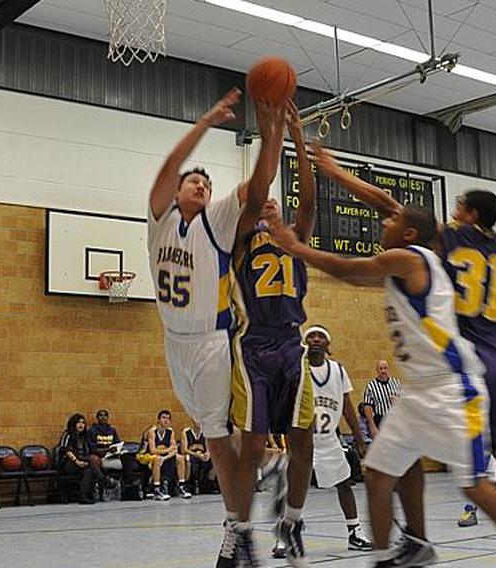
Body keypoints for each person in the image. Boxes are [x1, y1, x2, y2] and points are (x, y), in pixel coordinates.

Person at [264, 180, 496, 568]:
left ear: (411, 233)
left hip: (453, 386)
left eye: (393, 221)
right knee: (379, 473)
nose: (384, 223)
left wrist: (293, 245)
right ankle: (393, 555)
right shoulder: (471, 252)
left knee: (476, 485)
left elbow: (347, 268)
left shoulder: (413, 258)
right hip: (422, 389)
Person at [146, 83, 284, 568]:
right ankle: (263, 464)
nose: (201, 187)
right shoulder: (160, 219)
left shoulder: (219, 221)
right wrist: (205, 121)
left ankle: (237, 531)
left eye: (206, 184)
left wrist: (272, 135)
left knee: (213, 437)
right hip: (172, 341)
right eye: (194, 183)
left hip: (210, 341)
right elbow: (168, 167)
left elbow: (259, 185)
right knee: (210, 433)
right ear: (178, 191)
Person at [228, 101, 315, 568]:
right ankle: (242, 530)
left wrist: (297, 140)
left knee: (305, 445)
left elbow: (308, 201)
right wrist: (271, 132)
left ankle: (293, 522)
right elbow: (257, 195)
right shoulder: (242, 236)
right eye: (264, 199)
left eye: (274, 199)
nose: (270, 201)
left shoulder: (296, 236)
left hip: (290, 343)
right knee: (256, 445)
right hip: (254, 345)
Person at [274, 325, 372, 555]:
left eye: (321, 337)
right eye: (311, 336)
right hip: (301, 442)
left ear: (328, 344)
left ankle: (355, 532)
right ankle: (285, 532)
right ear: (304, 343)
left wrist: (359, 439)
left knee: (344, 484)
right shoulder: (296, 369)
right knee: (292, 488)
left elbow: (348, 407)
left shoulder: (337, 370)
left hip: (329, 440)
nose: (316, 339)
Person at [59, 413, 115, 504]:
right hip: (69, 462)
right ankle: (103, 480)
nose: (81, 425)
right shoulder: (68, 435)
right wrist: (77, 462)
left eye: (83, 423)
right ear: (73, 424)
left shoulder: (84, 436)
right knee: (91, 462)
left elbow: (89, 451)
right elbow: (67, 450)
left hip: (82, 459)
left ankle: (84, 496)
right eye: (78, 423)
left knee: (89, 470)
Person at [139, 410, 190, 501]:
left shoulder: (170, 431)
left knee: (180, 458)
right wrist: (167, 450)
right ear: (158, 420)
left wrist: (165, 457)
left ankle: (181, 486)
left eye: (168, 418)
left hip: (164, 457)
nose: (166, 420)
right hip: (148, 457)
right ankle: (157, 489)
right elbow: (153, 450)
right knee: (157, 459)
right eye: (163, 418)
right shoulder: (152, 431)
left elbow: (174, 448)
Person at [362, 360, 403, 437]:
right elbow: (367, 408)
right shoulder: (371, 386)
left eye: (385, 368)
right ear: (377, 370)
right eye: (380, 369)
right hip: (380, 420)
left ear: (388, 369)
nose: (383, 371)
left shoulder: (396, 383)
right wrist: (372, 427)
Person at [182, 418, 215, 495]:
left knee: (216, 461)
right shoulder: (186, 432)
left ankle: (209, 484)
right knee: (187, 459)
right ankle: (187, 484)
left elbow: (208, 447)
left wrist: (208, 453)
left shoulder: (205, 432)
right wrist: (196, 455)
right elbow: (184, 450)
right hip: (191, 455)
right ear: (192, 420)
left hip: (202, 455)